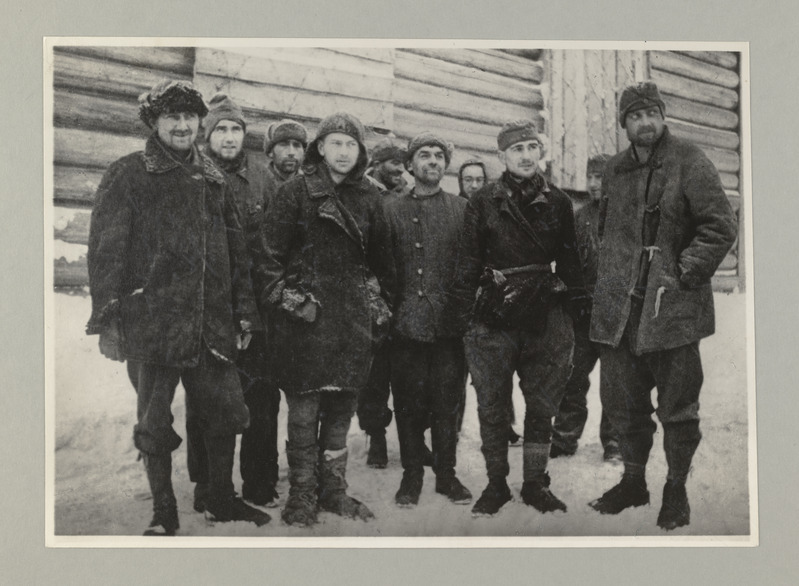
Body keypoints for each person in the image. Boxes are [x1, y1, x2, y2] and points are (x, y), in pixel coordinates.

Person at [86, 80, 270, 535]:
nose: (183, 125)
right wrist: (110, 317)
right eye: (173, 117)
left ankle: (220, 498)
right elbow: (106, 253)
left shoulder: (213, 178)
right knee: (154, 419)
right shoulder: (128, 174)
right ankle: (164, 509)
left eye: (190, 117)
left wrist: (244, 311)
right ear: (154, 123)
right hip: (153, 322)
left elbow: (237, 253)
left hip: (211, 322)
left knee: (225, 410)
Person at [587, 82, 737, 530]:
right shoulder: (614, 169)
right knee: (624, 405)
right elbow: (608, 228)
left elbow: (721, 225)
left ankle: (676, 488)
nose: (645, 122)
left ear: (663, 116)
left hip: (670, 309)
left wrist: (683, 272)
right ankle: (634, 482)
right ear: (625, 123)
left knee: (678, 407)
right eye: (636, 116)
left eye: (652, 113)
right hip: (621, 311)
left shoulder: (689, 159)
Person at [256, 112, 389, 527]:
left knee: (339, 414)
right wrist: (290, 300)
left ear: (361, 152)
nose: (344, 152)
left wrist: (376, 307)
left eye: (351, 145)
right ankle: (302, 494)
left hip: (351, 322)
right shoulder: (296, 191)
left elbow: (384, 265)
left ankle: (333, 491)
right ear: (321, 149)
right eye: (336, 143)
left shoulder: (371, 197)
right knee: (301, 414)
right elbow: (268, 258)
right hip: (305, 321)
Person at [451, 119, 588, 517]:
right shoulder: (483, 202)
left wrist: (574, 306)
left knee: (542, 403)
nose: (526, 156)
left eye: (531, 147)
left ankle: (534, 483)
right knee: (492, 404)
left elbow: (571, 262)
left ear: (539, 151)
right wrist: (464, 317)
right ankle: (495, 485)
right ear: (502, 157)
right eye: (517, 150)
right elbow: (468, 262)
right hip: (494, 313)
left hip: (544, 313)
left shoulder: (559, 202)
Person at [197, 94, 281, 509]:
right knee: (207, 400)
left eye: (235, 129)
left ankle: (261, 483)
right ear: (207, 135)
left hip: (259, 308)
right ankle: (208, 487)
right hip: (209, 308)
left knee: (262, 397)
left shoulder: (264, 179)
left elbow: (275, 245)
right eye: (221, 129)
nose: (229, 137)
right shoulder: (194, 176)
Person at [380, 132, 472, 508]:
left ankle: (446, 475)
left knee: (447, 402)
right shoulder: (390, 210)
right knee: (407, 403)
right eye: (424, 155)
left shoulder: (462, 209)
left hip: (448, 326)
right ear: (410, 164)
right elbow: (382, 267)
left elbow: (469, 268)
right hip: (404, 325)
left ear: (445, 165)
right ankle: (412, 475)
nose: (432, 161)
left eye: (438, 156)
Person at [550, 153, 621, 461]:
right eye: (591, 176)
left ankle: (616, 443)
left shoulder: (626, 219)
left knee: (617, 381)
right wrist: (572, 296)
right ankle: (565, 438)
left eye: (601, 177)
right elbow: (568, 263)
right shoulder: (580, 217)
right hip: (582, 314)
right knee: (573, 376)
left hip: (617, 316)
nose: (594, 183)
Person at [357, 136, 408, 469]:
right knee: (373, 377)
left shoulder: (404, 195)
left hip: (403, 296)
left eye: (403, 163)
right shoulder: (364, 194)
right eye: (394, 163)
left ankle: (410, 442)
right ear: (377, 164)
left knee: (406, 375)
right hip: (372, 297)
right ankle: (376, 438)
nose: (400, 169)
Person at [264, 118, 308, 191]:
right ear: (271, 151)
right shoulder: (256, 183)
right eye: (284, 145)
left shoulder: (311, 187)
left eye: (297, 145)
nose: (291, 152)